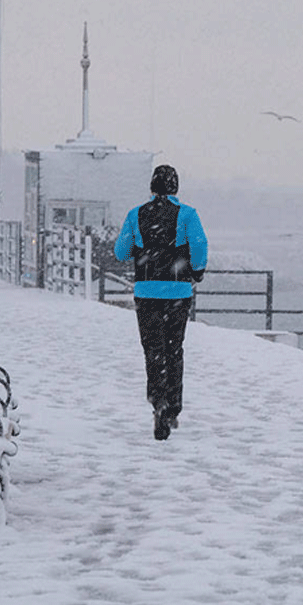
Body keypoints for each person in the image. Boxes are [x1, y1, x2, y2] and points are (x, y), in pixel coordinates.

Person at [114, 164, 208, 440]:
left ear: (152, 187)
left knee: (152, 349)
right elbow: (200, 247)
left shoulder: (136, 214)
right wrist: (197, 271)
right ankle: (173, 408)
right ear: (176, 187)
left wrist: (140, 249)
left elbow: (121, 251)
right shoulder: (188, 214)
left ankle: (158, 403)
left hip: (146, 293)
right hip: (178, 292)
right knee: (174, 348)